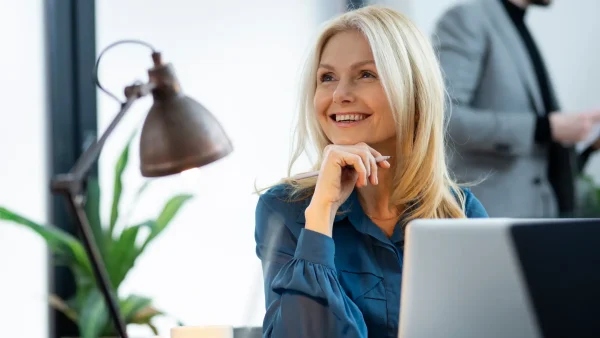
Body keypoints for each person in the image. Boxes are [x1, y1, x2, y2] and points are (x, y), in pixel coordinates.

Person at [254, 5, 488, 338]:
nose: (340, 95)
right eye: (327, 77)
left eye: (366, 74)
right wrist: (320, 216)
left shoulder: (460, 212)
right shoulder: (284, 210)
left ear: (412, 90)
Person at [433, 0, 600, 218]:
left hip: (542, 218)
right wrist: (545, 128)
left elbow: (538, 158)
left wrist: (587, 142)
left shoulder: (518, 27)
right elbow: (445, 117)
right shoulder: (467, 20)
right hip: (491, 220)